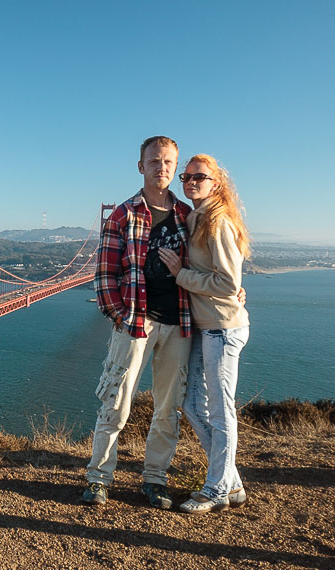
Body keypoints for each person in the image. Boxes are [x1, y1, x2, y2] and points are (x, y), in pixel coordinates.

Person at [84, 136, 193, 509]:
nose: (161, 167)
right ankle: (99, 479)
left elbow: (206, 266)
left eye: (167, 162)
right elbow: (104, 275)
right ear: (140, 166)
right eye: (154, 161)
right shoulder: (122, 214)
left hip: (178, 323)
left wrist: (232, 291)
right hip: (135, 322)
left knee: (168, 408)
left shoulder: (187, 216)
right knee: (116, 403)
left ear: (175, 168)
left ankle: (155, 479)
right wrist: (122, 317)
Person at [158, 153, 251, 514]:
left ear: (217, 183)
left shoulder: (218, 222)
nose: (191, 182)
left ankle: (215, 491)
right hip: (205, 328)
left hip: (223, 330)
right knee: (193, 405)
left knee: (220, 412)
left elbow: (229, 283)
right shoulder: (195, 218)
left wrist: (181, 274)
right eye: (186, 176)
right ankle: (232, 482)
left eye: (200, 177)